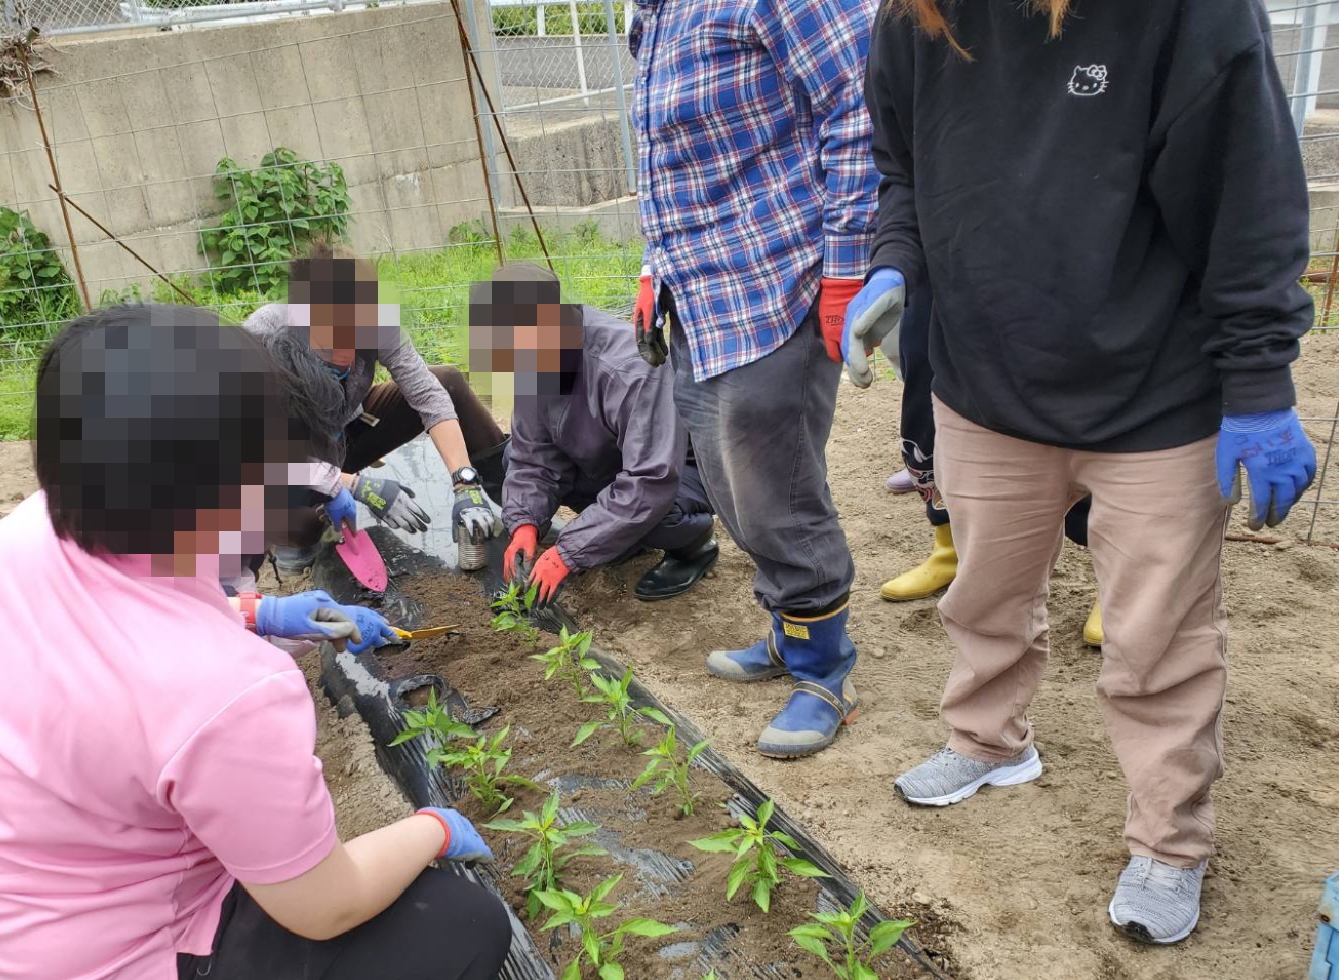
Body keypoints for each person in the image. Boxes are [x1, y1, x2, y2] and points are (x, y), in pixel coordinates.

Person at [0, 305, 511, 980]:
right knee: (463, 933)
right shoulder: (231, 693)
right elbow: (325, 907)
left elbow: (126, 637)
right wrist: (432, 827)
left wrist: (263, 612)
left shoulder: (20, 537)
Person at [850, 0, 1318, 943]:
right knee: (984, 597)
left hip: (1156, 395)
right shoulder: (916, 19)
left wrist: (1259, 383)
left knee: (1159, 641)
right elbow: (903, 172)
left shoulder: (1185, 13)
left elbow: (1249, 198)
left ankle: (1169, 842)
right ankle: (988, 743)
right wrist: (894, 263)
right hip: (983, 382)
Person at [629, 0, 880, 758]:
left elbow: (860, 102)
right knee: (733, 486)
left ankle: (824, 669)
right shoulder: (654, 12)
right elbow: (669, 160)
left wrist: (847, 269)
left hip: (775, 280)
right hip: (699, 293)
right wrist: (653, 268)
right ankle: (790, 629)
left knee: (780, 493)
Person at [244, 242, 510, 574]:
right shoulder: (267, 333)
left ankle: (515, 501)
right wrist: (354, 485)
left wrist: (464, 482)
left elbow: (427, 394)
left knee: (447, 382)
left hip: (345, 433)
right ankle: (295, 532)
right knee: (303, 525)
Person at [878, 282, 1105, 647]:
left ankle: (1113, 577)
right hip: (943, 281)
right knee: (926, 397)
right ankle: (950, 550)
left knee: (1065, 420)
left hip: (1033, 281)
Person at [476, 264, 718, 602]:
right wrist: (525, 525)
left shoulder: (629, 368)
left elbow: (651, 479)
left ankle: (696, 545)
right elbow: (532, 458)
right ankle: (621, 537)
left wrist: (566, 554)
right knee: (510, 456)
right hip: (610, 461)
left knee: (658, 514)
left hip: (678, 470)